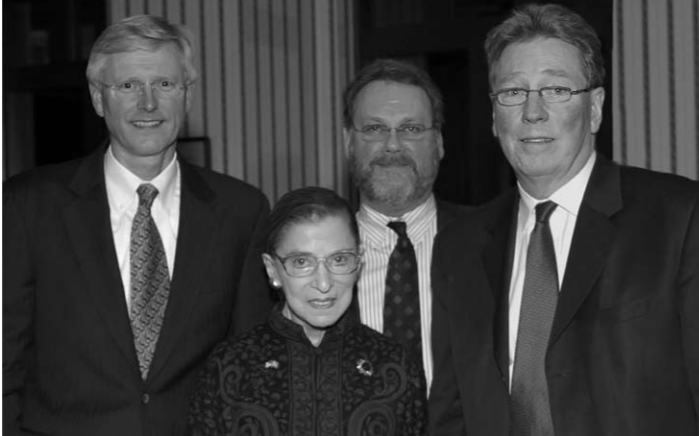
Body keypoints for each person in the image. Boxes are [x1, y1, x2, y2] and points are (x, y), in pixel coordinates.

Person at [429, 3, 699, 436]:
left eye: (556, 90)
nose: (532, 112)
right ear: (494, 116)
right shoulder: (458, 247)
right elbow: (451, 414)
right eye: (514, 92)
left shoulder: (679, 219)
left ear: (594, 108)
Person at [3, 15, 272, 436]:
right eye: (127, 86)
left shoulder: (242, 210)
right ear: (97, 97)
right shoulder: (27, 206)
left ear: (187, 96)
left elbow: (250, 367)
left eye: (165, 84)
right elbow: (5, 362)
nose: (148, 103)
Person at [188, 186, 427, 435]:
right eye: (301, 262)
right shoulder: (229, 366)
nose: (323, 283)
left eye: (339, 259)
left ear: (359, 262)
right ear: (272, 270)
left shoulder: (395, 364)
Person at [342, 59, 471, 393]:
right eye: (374, 129)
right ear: (348, 142)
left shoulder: (494, 243)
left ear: (439, 143)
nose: (393, 145)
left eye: (411, 129)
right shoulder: (307, 256)